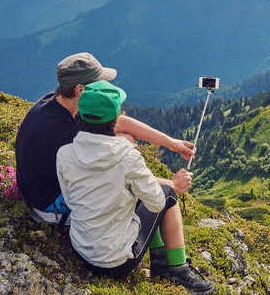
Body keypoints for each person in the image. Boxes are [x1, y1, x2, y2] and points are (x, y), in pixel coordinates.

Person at [56, 80, 215, 294]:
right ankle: (177, 269)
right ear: (116, 119)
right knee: (167, 196)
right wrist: (175, 185)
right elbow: (156, 203)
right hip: (117, 262)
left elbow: (69, 197)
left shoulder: (64, 153)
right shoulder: (126, 157)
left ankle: (161, 263)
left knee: (138, 194)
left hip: (81, 252)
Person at [15, 52, 195, 226]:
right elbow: (115, 176)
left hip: (42, 190)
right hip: (50, 207)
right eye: (99, 83)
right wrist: (172, 184)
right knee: (146, 192)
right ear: (80, 90)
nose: (105, 86)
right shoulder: (63, 130)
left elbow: (120, 122)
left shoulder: (57, 102)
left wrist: (172, 143)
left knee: (124, 138)